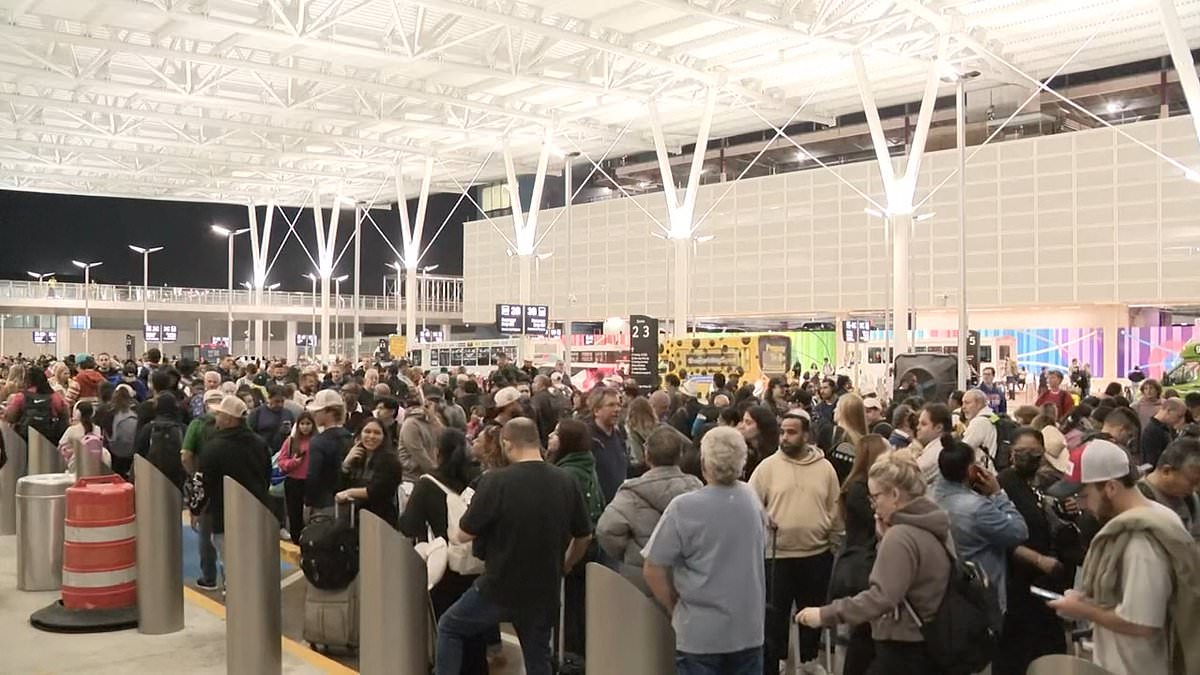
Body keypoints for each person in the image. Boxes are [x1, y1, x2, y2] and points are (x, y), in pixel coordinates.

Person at [435, 418, 592, 675]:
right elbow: (584, 535)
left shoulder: (496, 481)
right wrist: (567, 563)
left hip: (499, 585)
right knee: (537, 656)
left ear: (507, 444)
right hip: (545, 587)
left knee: (450, 627)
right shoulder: (566, 480)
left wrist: (453, 532)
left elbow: (465, 533)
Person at [1046, 439, 1200, 675]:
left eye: (1084, 495)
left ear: (1110, 488)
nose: (1082, 505)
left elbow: (1143, 623)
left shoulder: (1139, 540)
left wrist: (1082, 610)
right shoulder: (1158, 514)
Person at [795, 454, 953, 674]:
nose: (873, 505)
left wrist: (825, 614)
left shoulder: (900, 537)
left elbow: (881, 597)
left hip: (901, 644)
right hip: (930, 638)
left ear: (895, 495)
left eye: (876, 497)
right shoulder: (934, 524)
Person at [643, 427, 767, 675]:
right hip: (748, 628)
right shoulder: (751, 498)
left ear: (704, 462)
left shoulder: (684, 507)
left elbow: (653, 568)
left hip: (699, 633)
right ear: (742, 462)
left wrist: (672, 606)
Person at [749, 411, 842, 675]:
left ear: (806, 435)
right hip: (777, 555)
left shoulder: (825, 468)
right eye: (782, 432)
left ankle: (809, 662)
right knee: (774, 617)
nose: (785, 438)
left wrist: (833, 540)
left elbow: (835, 507)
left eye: (791, 432)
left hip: (816, 554)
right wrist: (764, 518)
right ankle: (775, 663)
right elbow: (751, 503)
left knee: (812, 614)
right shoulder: (767, 467)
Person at [400, 428, 488, 675]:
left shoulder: (427, 484)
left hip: (445, 568)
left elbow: (409, 525)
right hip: (478, 567)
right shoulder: (479, 479)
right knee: (476, 634)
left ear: (437, 453)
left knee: (448, 631)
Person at [993, 428, 1070, 675]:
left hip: (1041, 584)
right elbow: (1001, 535)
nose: (1028, 457)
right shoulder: (1003, 484)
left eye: (1034, 453)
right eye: (1021, 452)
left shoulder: (1034, 484)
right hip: (1018, 583)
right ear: (1011, 453)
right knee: (1018, 652)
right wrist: (1037, 559)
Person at [596, 426, 702, 591]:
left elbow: (606, 530)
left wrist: (629, 552)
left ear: (647, 456)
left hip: (641, 579)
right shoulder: (696, 489)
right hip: (686, 574)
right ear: (680, 456)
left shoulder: (631, 494)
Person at [932, 436, 1028, 613]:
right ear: (971, 470)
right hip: (982, 596)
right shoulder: (977, 508)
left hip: (944, 594)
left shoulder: (930, 499)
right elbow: (1019, 531)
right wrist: (998, 494)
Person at [831, 434, 891, 675]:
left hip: (865, 561)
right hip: (861, 566)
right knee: (858, 637)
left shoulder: (863, 486)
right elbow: (878, 522)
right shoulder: (858, 489)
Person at [199, 395, 272, 588]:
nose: (216, 418)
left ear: (230, 420)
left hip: (224, 515)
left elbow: (204, 483)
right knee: (253, 560)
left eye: (220, 415)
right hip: (256, 512)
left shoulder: (213, 448)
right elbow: (267, 474)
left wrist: (197, 510)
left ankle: (233, 596)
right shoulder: (259, 443)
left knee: (230, 563)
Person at [548, 418, 604, 659]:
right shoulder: (585, 465)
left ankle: (568, 657)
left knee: (569, 609)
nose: (550, 436)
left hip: (573, 549)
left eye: (556, 433)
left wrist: (566, 561)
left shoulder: (566, 474)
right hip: (588, 547)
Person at [335, 417, 404, 529]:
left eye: (377, 433)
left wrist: (350, 492)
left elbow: (378, 491)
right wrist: (346, 463)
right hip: (353, 518)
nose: (371, 436)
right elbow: (338, 487)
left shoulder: (390, 461)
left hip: (379, 520)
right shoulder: (355, 456)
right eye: (367, 431)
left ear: (384, 437)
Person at [1136, 438, 1200, 541]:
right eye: (1193, 482)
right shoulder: (1137, 500)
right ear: (1166, 471)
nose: (1196, 489)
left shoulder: (1191, 499)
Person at [304, 389, 354, 518]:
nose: (314, 414)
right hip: (348, 501)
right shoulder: (349, 438)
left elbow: (312, 477)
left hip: (322, 505)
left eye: (317, 411)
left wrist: (308, 501)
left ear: (329, 412)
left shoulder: (318, 442)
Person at [275, 411, 315, 545]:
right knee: (294, 514)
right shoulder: (291, 441)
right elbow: (281, 461)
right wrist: (293, 462)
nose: (305, 427)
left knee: (311, 514)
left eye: (308, 424)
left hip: (311, 481)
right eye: (302, 424)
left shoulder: (317, 441)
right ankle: (296, 540)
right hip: (294, 481)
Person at [588, 386, 629, 504]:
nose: (617, 409)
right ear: (596, 411)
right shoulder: (588, 438)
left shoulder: (619, 435)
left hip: (619, 504)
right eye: (611, 405)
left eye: (618, 405)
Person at [399, 391, 443, 477]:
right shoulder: (411, 424)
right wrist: (435, 471)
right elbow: (418, 453)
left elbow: (445, 436)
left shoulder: (431, 421)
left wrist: (433, 419)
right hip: (411, 474)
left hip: (428, 473)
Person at [828, 393, 868, 482]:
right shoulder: (866, 442)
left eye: (837, 407)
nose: (834, 410)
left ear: (844, 412)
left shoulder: (833, 435)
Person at [1140, 398, 1185, 469]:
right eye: (1179, 416)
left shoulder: (1164, 428)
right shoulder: (1152, 431)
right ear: (1168, 411)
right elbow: (1153, 462)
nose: (1180, 420)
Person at [737, 404, 779, 481]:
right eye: (743, 421)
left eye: (748, 423)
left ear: (762, 426)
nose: (742, 426)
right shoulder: (742, 451)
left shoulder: (775, 456)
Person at [915, 403, 954, 484]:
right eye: (918, 423)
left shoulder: (937, 452)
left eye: (923, 424)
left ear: (938, 427)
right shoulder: (937, 447)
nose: (917, 427)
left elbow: (906, 478)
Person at [960, 389, 999, 466]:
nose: (963, 407)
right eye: (962, 403)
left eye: (967, 403)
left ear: (979, 404)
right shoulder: (993, 416)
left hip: (985, 472)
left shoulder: (979, 422)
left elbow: (963, 450)